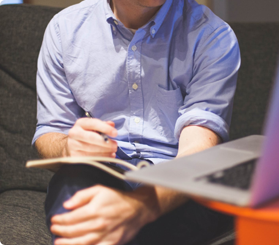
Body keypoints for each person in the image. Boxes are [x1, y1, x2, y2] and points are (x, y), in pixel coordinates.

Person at [33, 0, 240, 244]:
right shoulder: (65, 29)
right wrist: (68, 147)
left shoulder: (212, 36)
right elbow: (49, 132)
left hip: (177, 178)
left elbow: (197, 152)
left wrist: (139, 206)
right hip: (100, 169)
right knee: (72, 188)